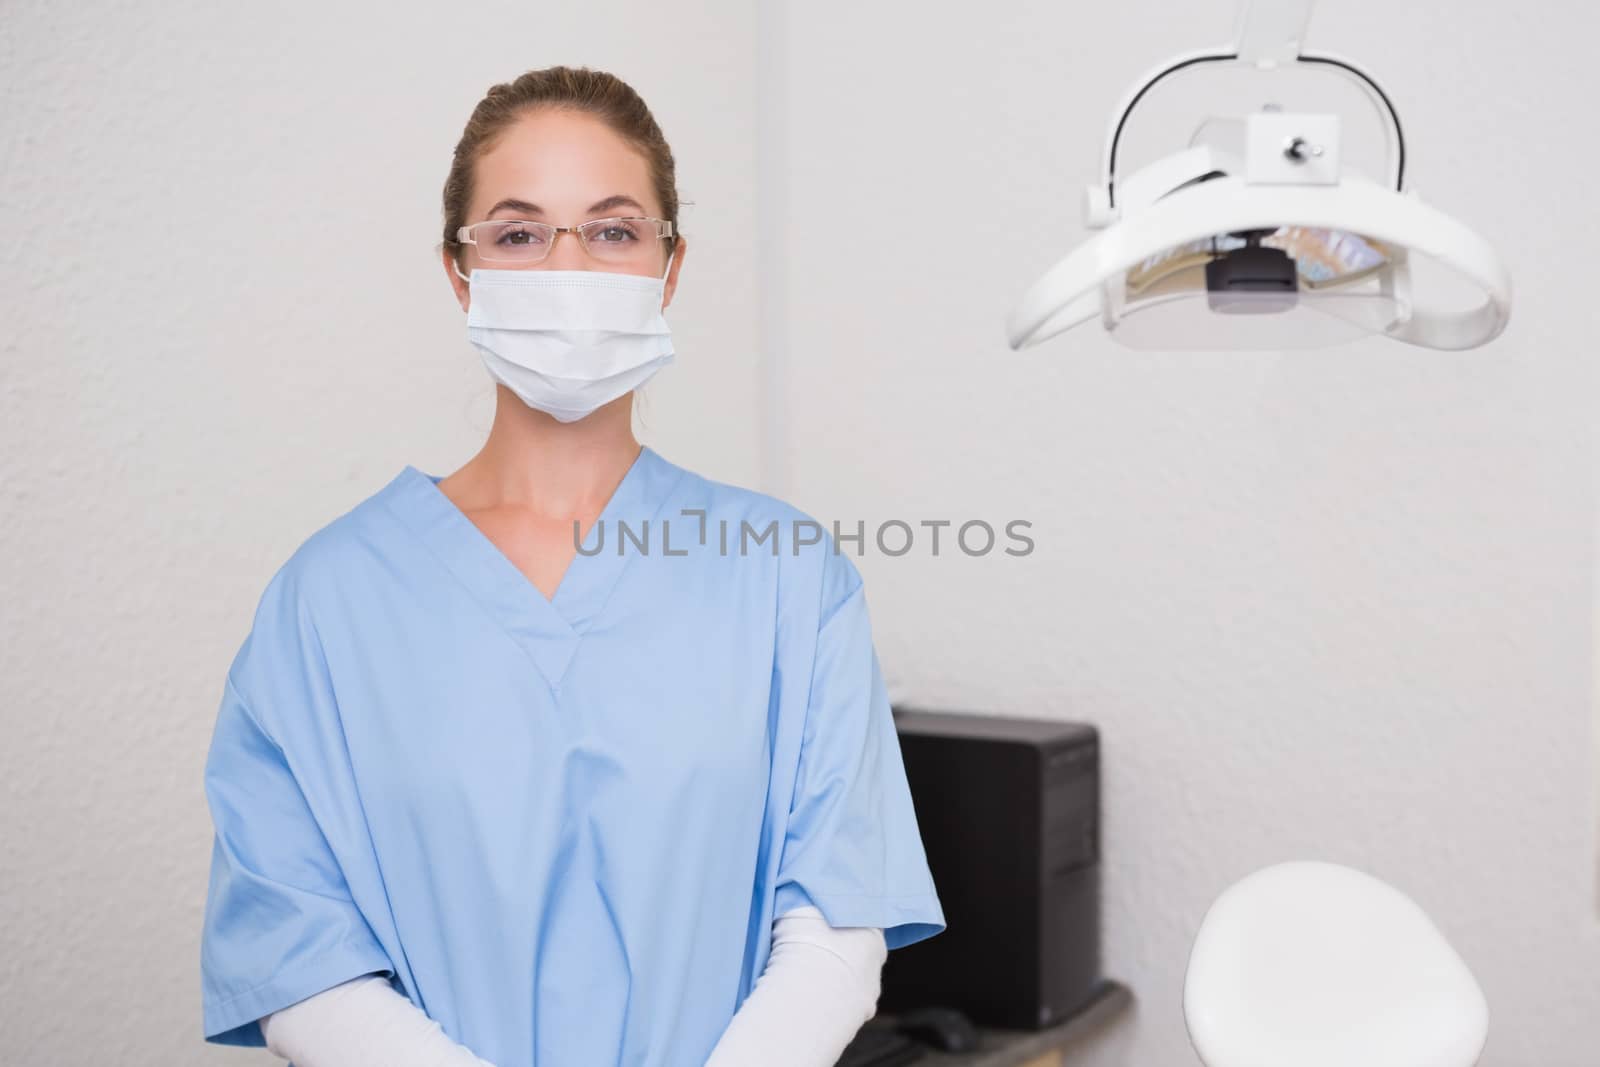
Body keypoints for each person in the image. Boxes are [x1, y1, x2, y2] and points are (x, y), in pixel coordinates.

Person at [198, 65, 945, 1067]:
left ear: (668, 265)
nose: (568, 268)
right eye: (517, 233)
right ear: (460, 271)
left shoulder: (786, 573)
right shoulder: (328, 600)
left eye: (612, 229)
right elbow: (298, 957)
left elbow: (835, 927)